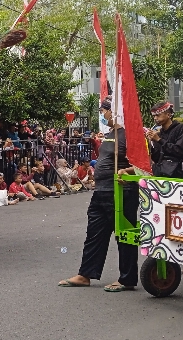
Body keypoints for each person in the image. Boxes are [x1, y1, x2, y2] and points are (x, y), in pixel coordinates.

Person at [58, 95, 139, 292]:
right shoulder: (111, 133)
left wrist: (126, 172)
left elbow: (143, 166)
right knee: (94, 233)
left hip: (121, 191)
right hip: (101, 191)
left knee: (124, 236)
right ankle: (86, 274)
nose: (102, 115)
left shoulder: (131, 134)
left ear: (114, 111)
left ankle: (127, 278)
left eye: (104, 111)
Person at [146, 101, 183, 178]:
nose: (155, 118)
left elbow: (179, 151)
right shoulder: (159, 133)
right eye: (154, 116)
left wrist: (159, 140)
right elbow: (157, 158)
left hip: (177, 175)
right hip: (161, 174)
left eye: (158, 115)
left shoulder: (182, 128)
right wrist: (150, 143)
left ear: (168, 115)